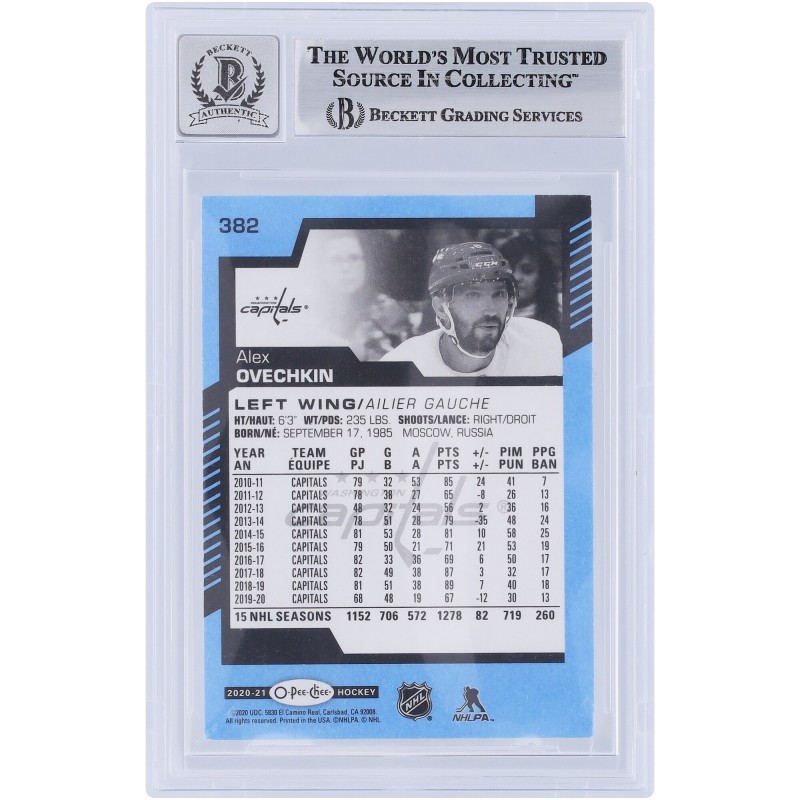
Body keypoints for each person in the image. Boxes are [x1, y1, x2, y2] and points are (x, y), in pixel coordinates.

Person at [381, 242, 562, 376]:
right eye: (473, 295)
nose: (491, 310)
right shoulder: (402, 364)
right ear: (441, 307)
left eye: (498, 294)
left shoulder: (541, 342)